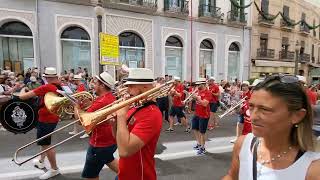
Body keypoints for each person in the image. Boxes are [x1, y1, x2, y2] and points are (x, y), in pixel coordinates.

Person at [223, 74, 320, 180]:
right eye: (251, 107)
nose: (253, 116)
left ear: (297, 116)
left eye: (265, 109)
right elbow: (232, 176)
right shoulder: (243, 144)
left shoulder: (313, 168)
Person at [115, 68, 162, 180]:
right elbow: (119, 142)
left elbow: (124, 151)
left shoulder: (152, 113)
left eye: (131, 86)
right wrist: (114, 122)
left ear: (145, 87)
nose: (127, 90)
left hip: (139, 175)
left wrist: (121, 117)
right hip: (124, 172)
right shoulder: (134, 107)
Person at [18, 67, 61, 179]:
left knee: (46, 144)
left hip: (46, 119)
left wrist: (23, 88)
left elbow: (22, 97)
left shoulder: (47, 86)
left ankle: (54, 169)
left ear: (46, 77)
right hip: (53, 117)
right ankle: (41, 161)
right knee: (45, 141)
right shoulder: (60, 86)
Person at [74, 71, 118, 180]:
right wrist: (88, 105)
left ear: (102, 85)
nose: (94, 86)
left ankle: (132, 174)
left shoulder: (101, 102)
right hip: (109, 141)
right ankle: (131, 174)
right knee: (108, 161)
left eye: (96, 83)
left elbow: (81, 121)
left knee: (90, 175)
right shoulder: (110, 97)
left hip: (99, 143)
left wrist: (76, 106)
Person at [192, 78, 211, 155]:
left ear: (203, 84)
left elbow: (205, 104)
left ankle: (203, 148)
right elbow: (196, 101)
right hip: (197, 113)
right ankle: (199, 143)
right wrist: (193, 97)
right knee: (195, 128)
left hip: (204, 115)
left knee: (202, 132)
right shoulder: (198, 91)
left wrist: (197, 98)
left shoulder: (208, 93)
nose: (197, 86)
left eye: (198, 84)